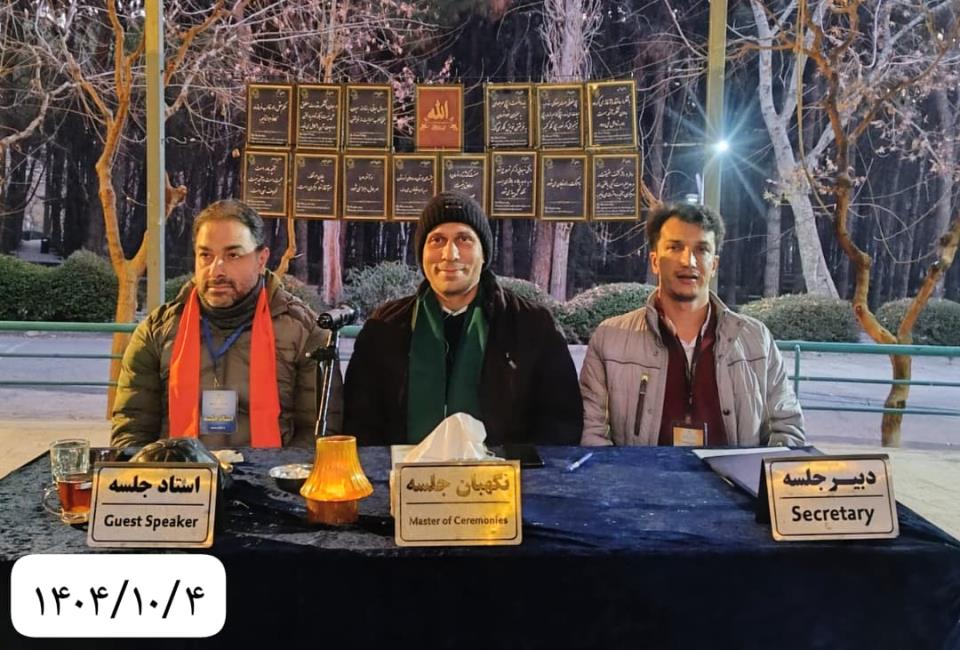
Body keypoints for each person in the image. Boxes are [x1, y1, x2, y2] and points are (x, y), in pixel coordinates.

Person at [344, 191, 582, 446]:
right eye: (437, 240)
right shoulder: (384, 328)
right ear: (422, 253)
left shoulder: (532, 326)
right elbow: (360, 424)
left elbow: (561, 424)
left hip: (504, 471)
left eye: (464, 239)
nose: (450, 254)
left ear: (484, 253)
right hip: (402, 470)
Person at [111, 199, 340, 449]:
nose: (216, 270)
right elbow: (131, 432)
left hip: (271, 473)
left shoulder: (306, 333)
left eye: (233, 255)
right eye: (205, 255)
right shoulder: (156, 331)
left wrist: (271, 471)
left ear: (261, 259)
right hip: (178, 472)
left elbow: (319, 437)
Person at [580, 202, 804, 447]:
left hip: (734, 475)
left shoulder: (756, 340)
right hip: (640, 473)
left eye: (701, 249)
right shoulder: (610, 340)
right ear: (654, 261)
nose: (689, 261)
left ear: (714, 265)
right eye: (675, 247)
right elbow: (593, 435)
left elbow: (787, 429)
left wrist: (753, 472)